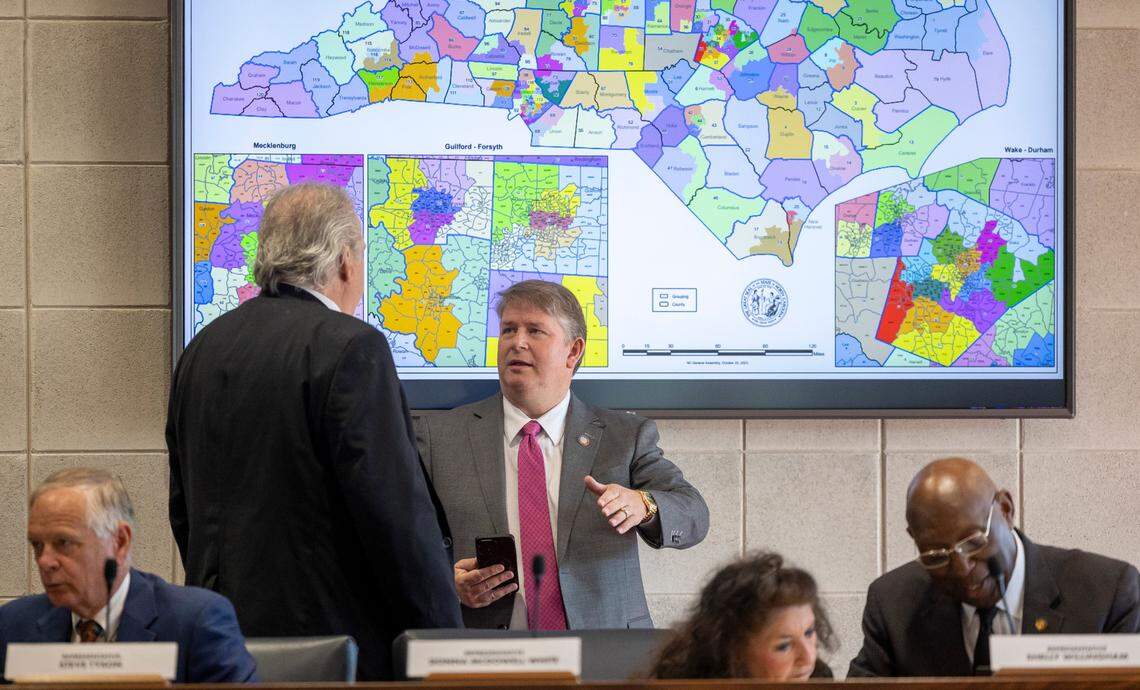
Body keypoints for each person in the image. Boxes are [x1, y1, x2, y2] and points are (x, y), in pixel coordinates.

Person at [166, 183, 462, 680]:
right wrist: (445, 647)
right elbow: (394, 519)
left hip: (224, 645)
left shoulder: (203, 348)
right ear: (345, 261)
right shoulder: (350, 348)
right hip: (331, 652)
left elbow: (185, 510)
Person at [415, 279, 709, 630]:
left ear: (573, 352)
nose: (516, 342)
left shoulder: (624, 436)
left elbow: (693, 514)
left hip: (603, 654)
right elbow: (401, 542)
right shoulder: (440, 436)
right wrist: (449, 584)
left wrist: (643, 504)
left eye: (535, 331)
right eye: (509, 330)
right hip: (485, 655)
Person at [849, 457, 1140, 677]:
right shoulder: (892, 605)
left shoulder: (1108, 594)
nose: (962, 568)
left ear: (1005, 509)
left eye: (974, 542)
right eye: (937, 555)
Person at [0, 469, 256, 683]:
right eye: (37, 545)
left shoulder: (195, 622)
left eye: (63, 542)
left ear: (120, 542)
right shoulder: (12, 625)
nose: (45, 561)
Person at [649, 552, 834, 680]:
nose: (808, 656)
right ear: (733, 653)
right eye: (783, 646)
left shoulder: (819, 678)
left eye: (809, 633)